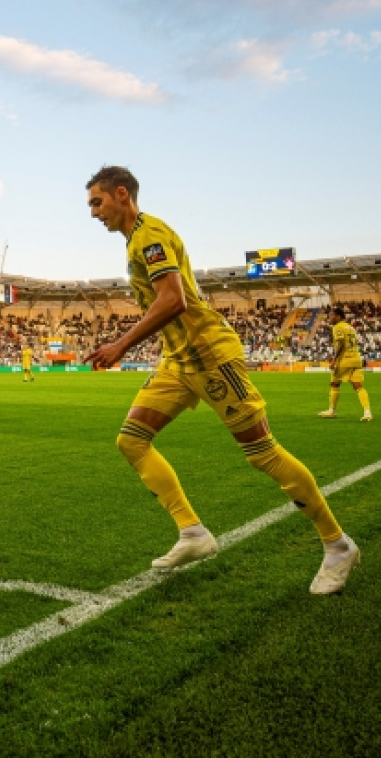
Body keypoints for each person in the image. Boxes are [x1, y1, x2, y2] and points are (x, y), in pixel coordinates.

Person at [84, 165, 359, 595]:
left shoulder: (150, 235)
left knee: (263, 454)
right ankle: (193, 534)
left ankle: (338, 545)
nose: (93, 212)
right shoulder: (137, 240)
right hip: (177, 360)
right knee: (132, 440)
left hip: (211, 356)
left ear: (122, 194)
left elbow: (173, 300)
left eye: (96, 202)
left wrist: (120, 345)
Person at [318, 306, 372, 422]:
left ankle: (332, 410)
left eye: (332, 315)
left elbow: (341, 344)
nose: (330, 318)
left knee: (334, 384)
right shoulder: (350, 327)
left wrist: (334, 360)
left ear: (338, 316)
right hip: (356, 359)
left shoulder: (338, 327)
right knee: (358, 386)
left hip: (345, 360)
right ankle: (367, 412)